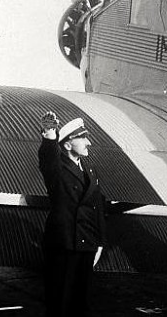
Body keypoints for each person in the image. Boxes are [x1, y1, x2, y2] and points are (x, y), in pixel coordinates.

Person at [38, 112, 107, 317]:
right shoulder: (57, 168)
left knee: (81, 302)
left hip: (86, 244)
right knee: (60, 302)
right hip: (64, 245)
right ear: (67, 144)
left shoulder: (89, 170)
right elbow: (47, 157)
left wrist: (100, 242)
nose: (89, 142)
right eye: (83, 137)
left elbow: (98, 206)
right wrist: (50, 134)